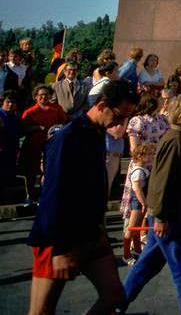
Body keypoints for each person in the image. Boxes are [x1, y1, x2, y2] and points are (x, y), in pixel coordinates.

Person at [27, 79, 139, 315]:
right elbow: (53, 194)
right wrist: (59, 249)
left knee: (113, 295)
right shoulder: (68, 137)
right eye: (119, 116)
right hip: (58, 238)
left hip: (90, 233)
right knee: (41, 311)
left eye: (127, 118)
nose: (121, 124)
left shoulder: (96, 133)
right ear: (102, 105)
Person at [123, 93, 181, 314]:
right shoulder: (175, 140)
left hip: (167, 211)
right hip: (167, 214)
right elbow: (161, 180)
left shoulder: (180, 137)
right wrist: (159, 216)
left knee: (148, 265)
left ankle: (119, 304)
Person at [19, 85, 68, 202]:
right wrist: (36, 128)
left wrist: (57, 128)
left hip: (52, 146)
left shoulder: (57, 109)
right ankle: (29, 196)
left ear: (50, 96)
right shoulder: (29, 112)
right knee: (31, 173)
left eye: (46, 94)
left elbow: (64, 124)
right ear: (35, 97)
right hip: (33, 146)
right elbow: (22, 129)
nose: (43, 97)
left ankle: (45, 196)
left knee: (48, 171)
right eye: (40, 95)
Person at [121, 143, 155, 265]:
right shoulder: (138, 171)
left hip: (140, 201)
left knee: (136, 228)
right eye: (149, 154)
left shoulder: (142, 169)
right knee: (132, 227)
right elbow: (137, 189)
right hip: (137, 201)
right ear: (140, 156)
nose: (151, 156)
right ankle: (126, 254)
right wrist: (143, 203)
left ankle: (137, 250)